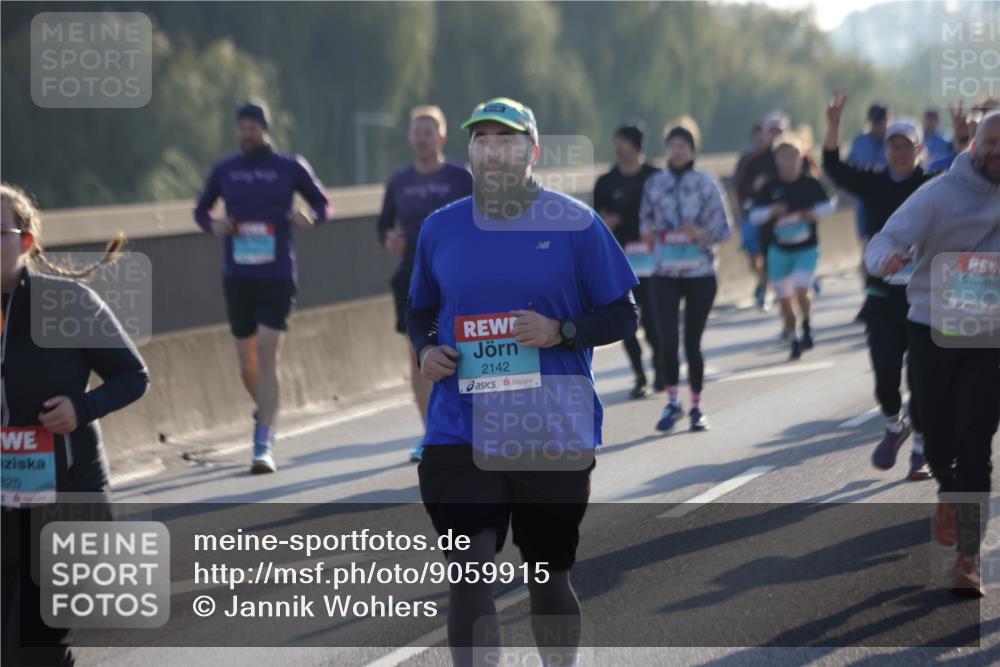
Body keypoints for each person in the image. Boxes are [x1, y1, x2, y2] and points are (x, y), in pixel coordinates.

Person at [407, 97, 638, 666]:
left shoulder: (576, 225)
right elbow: (419, 311)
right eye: (481, 139)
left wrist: (560, 330)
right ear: (469, 152)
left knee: (546, 576)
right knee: (469, 574)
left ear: (532, 151)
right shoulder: (440, 228)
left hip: (550, 427)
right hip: (460, 426)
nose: (493, 150)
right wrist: (427, 348)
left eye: (506, 139)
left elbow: (623, 313)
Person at [1, 182, 150, 665]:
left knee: (36, 647)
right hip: (5, 508)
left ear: (25, 242)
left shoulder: (66, 303)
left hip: (68, 499)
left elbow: (134, 376)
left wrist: (80, 409)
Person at [864, 111, 1000, 596]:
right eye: (990, 143)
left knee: (976, 440)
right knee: (939, 441)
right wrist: (888, 259)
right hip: (932, 328)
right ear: (973, 144)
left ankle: (968, 558)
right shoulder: (939, 194)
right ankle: (947, 488)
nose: (996, 153)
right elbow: (883, 240)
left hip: (989, 336)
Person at [193, 100, 333, 474]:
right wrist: (214, 224)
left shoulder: (289, 167)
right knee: (247, 362)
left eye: (253, 127)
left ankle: (263, 442)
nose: (247, 133)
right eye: (241, 128)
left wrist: (311, 216)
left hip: (277, 274)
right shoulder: (226, 169)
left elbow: (324, 204)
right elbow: (200, 211)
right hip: (238, 275)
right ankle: (267, 409)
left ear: (265, 129)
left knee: (268, 352)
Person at [823, 88, 938, 481]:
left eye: (906, 146)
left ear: (918, 149)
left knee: (922, 376)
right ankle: (894, 423)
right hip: (882, 295)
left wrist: (963, 139)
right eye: (893, 146)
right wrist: (834, 126)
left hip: (923, 295)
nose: (899, 153)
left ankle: (921, 450)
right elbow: (833, 168)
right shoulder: (873, 183)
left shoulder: (933, 184)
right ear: (885, 150)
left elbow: (969, 170)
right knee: (885, 377)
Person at [377, 105, 473, 462]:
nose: (422, 138)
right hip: (411, 279)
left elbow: (484, 215)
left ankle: (468, 424)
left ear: (442, 137)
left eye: (429, 132)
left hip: (457, 277)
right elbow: (383, 225)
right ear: (409, 137)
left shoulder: (462, 178)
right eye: (417, 132)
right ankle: (432, 432)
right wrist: (389, 240)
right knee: (420, 354)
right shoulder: (399, 181)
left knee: (462, 349)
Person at [640, 116, 733, 432]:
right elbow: (644, 219)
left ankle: (696, 406)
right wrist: (649, 234)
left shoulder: (707, 184)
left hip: (700, 272)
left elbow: (725, 229)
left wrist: (700, 234)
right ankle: (671, 403)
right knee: (667, 340)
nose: (676, 151)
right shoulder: (655, 184)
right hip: (664, 271)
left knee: (692, 342)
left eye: (683, 146)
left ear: (693, 150)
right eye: (672, 146)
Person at [749, 133, 836, 360]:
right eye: (784, 156)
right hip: (779, 250)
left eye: (793, 155)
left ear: (801, 157)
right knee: (785, 299)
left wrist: (812, 213)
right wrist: (771, 211)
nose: (789, 160)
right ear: (777, 159)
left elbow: (830, 204)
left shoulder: (810, 183)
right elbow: (754, 216)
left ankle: (806, 324)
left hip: (806, 248)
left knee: (801, 289)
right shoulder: (769, 186)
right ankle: (794, 335)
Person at [593, 124, 661, 398]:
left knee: (654, 320)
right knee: (626, 320)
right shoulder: (606, 182)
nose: (618, 148)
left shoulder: (656, 177)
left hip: (652, 258)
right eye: (616, 142)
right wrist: (605, 222)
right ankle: (640, 376)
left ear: (636, 146)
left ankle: (659, 365)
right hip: (619, 260)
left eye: (623, 142)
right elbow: (593, 220)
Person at [733, 123, 769, 309]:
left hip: (772, 215)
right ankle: (763, 281)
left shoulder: (777, 154)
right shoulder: (748, 158)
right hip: (750, 212)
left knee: (769, 254)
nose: (762, 138)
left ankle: (764, 287)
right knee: (752, 256)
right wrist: (738, 213)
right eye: (759, 134)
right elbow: (737, 188)